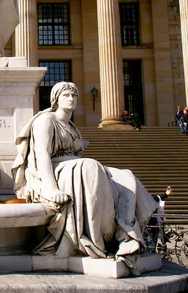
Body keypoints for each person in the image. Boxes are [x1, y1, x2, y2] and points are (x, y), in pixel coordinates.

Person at [12, 82, 157, 267]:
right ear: (55, 99)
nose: (71, 99)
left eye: (74, 96)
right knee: (90, 166)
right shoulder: (46, 120)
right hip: (56, 171)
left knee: (125, 176)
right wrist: (51, 188)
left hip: (75, 168)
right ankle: (99, 239)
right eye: (66, 95)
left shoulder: (72, 127)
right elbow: (42, 155)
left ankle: (126, 236)